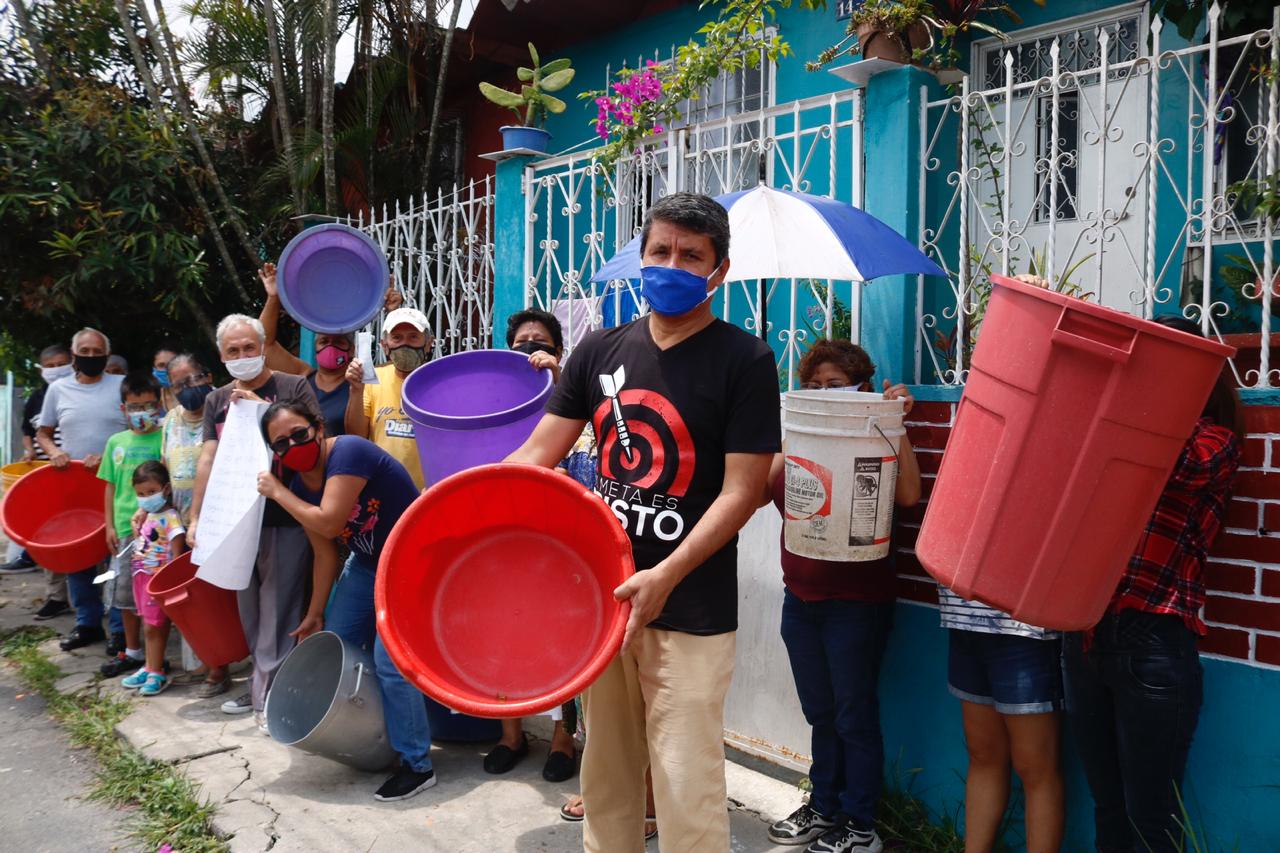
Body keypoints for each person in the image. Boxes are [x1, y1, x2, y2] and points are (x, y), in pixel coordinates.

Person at [507, 192, 782, 853]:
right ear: (640, 255)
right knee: (606, 777)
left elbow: (742, 491)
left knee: (688, 787)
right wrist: (462, 503)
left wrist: (665, 574)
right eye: (660, 250)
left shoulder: (745, 360)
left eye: (691, 255)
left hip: (690, 604)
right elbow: (535, 457)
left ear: (719, 270)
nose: (671, 264)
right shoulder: (599, 349)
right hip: (602, 599)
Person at [1062, 316, 1242, 853]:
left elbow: (1175, 464)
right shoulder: (1113, 432)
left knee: (1150, 819)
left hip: (1154, 642)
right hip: (1084, 634)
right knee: (1109, 807)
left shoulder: (1214, 441)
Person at [765, 340, 921, 853]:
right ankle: (824, 806)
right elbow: (771, 487)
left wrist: (892, 422)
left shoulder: (878, 433)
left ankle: (860, 825)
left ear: (863, 390)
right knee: (821, 714)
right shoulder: (804, 436)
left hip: (857, 604)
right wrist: (797, 426)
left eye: (835, 386)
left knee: (853, 715)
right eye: (814, 386)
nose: (823, 394)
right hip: (801, 599)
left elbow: (907, 497)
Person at [257, 400, 436, 801]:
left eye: (299, 434)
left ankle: (417, 765)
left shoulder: (349, 452)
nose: (293, 446)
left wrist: (277, 491)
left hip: (409, 559)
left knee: (392, 664)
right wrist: (315, 613)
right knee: (337, 649)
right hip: (368, 562)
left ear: (318, 428)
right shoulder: (302, 484)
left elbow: (330, 521)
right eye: (281, 444)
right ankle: (380, 740)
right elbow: (325, 552)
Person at [188, 314, 321, 726]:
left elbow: (316, 439)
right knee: (249, 611)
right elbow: (208, 457)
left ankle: (271, 701)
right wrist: (196, 517)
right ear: (221, 356)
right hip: (236, 522)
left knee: (280, 610)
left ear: (263, 346)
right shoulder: (217, 400)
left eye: (249, 347)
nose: (243, 356)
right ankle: (261, 685)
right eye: (233, 351)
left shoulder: (292, 387)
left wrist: (267, 412)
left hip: (286, 515)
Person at [482, 308, 580, 782]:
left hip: (556, 538)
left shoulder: (570, 401)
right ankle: (510, 733)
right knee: (505, 630)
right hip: (503, 534)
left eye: (541, 342)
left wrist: (558, 380)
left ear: (557, 353)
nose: (530, 348)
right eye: (522, 341)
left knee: (561, 636)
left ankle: (564, 735)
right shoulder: (490, 401)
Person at [37, 328, 128, 653]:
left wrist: (111, 456)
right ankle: (88, 624)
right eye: (85, 352)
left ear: (107, 354)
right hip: (73, 489)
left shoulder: (121, 386)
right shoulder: (58, 390)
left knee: (118, 560)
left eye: (97, 351)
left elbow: (143, 426)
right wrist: (53, 452)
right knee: (78, 560)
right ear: (74, 355)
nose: (91, 357)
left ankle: (121, 629)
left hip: (116, 487)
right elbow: (44, 432)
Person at [156, 353, 230, 697]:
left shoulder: (224, 412)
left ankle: (222, 666)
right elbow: (163, 466)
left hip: (221, 519)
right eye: (178, 385)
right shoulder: (170, 421)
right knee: (198, 599)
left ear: (208, 376)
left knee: (224, 594)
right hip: (184, 525)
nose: (187, 389)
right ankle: (213, 661)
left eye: (193, 379)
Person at [97, 371, 165, 678]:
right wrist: (109, 525)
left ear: (159, 404)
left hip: (159, 533)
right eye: (135, 407)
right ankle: (133, 650)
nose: (142, 413)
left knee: (154, 593)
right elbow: (110, 486)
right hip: (125, 532)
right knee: (125, 594)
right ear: (123, 408)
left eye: (148, 405)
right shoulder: (116, 442)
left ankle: (157, 655)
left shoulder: (165, 437)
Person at [1, 342, 73, 630]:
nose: (56, 371)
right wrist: (30, 450)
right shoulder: (37, 398)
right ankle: (56, 596)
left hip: (74, 473)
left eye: (61, 363)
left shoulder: (76, 393)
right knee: (51, 535)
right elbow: (28, 432)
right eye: (50, 365)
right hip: (44, 477)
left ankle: (94, 597)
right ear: (42, 369)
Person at [345, 307, 434, 490]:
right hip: (383, 492)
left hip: (427, 492)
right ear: (385, 345)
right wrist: (356, 389)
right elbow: (356, 435)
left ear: (428, 343)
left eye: (413, 337)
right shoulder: (373, 381)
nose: (405, 344)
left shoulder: (439, 383)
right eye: (397, 338)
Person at [121, 461, 185, 696]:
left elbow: (177, 553)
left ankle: (156, 671)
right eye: (140, 494)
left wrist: (172, 579)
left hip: (158, 580)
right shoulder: (146, 516)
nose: (146, 498)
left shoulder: (170, 517)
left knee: (153, 627)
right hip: (142, 577)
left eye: (151, 492)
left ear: (166, 489)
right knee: (148, 625)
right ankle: (149, 666)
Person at [152, 344, 179, 412]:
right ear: (154, 368)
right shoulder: (153, 397)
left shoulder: (196, 394)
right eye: (161, 365)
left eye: (172, 364)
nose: (167, 369)